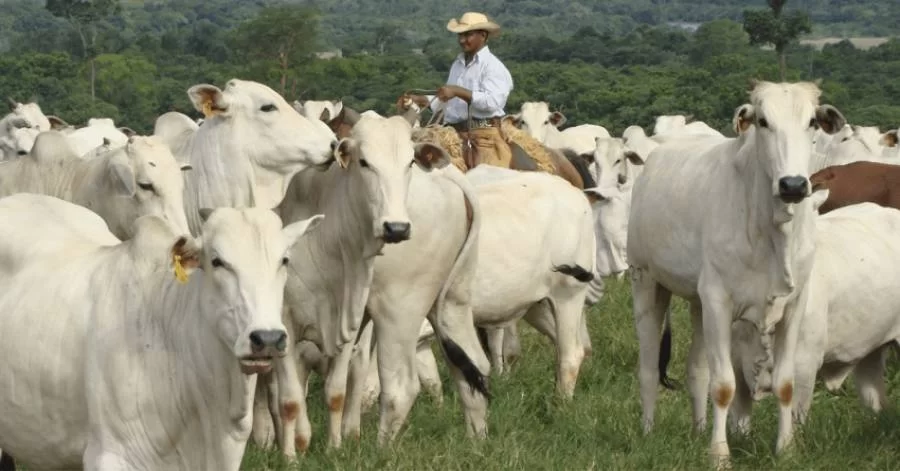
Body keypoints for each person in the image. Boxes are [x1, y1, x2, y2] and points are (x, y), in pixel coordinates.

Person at [403, 12, 514, 169]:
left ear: (482, 35)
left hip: (484, 135)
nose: (462, 40)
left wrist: (458, 91)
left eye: (467, 35)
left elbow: (493, 102)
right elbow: (450, 103)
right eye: (460, 35)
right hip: (453, 134)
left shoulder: (493, 67)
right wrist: (420, 100)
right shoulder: (458, 64)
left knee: (483, 180)